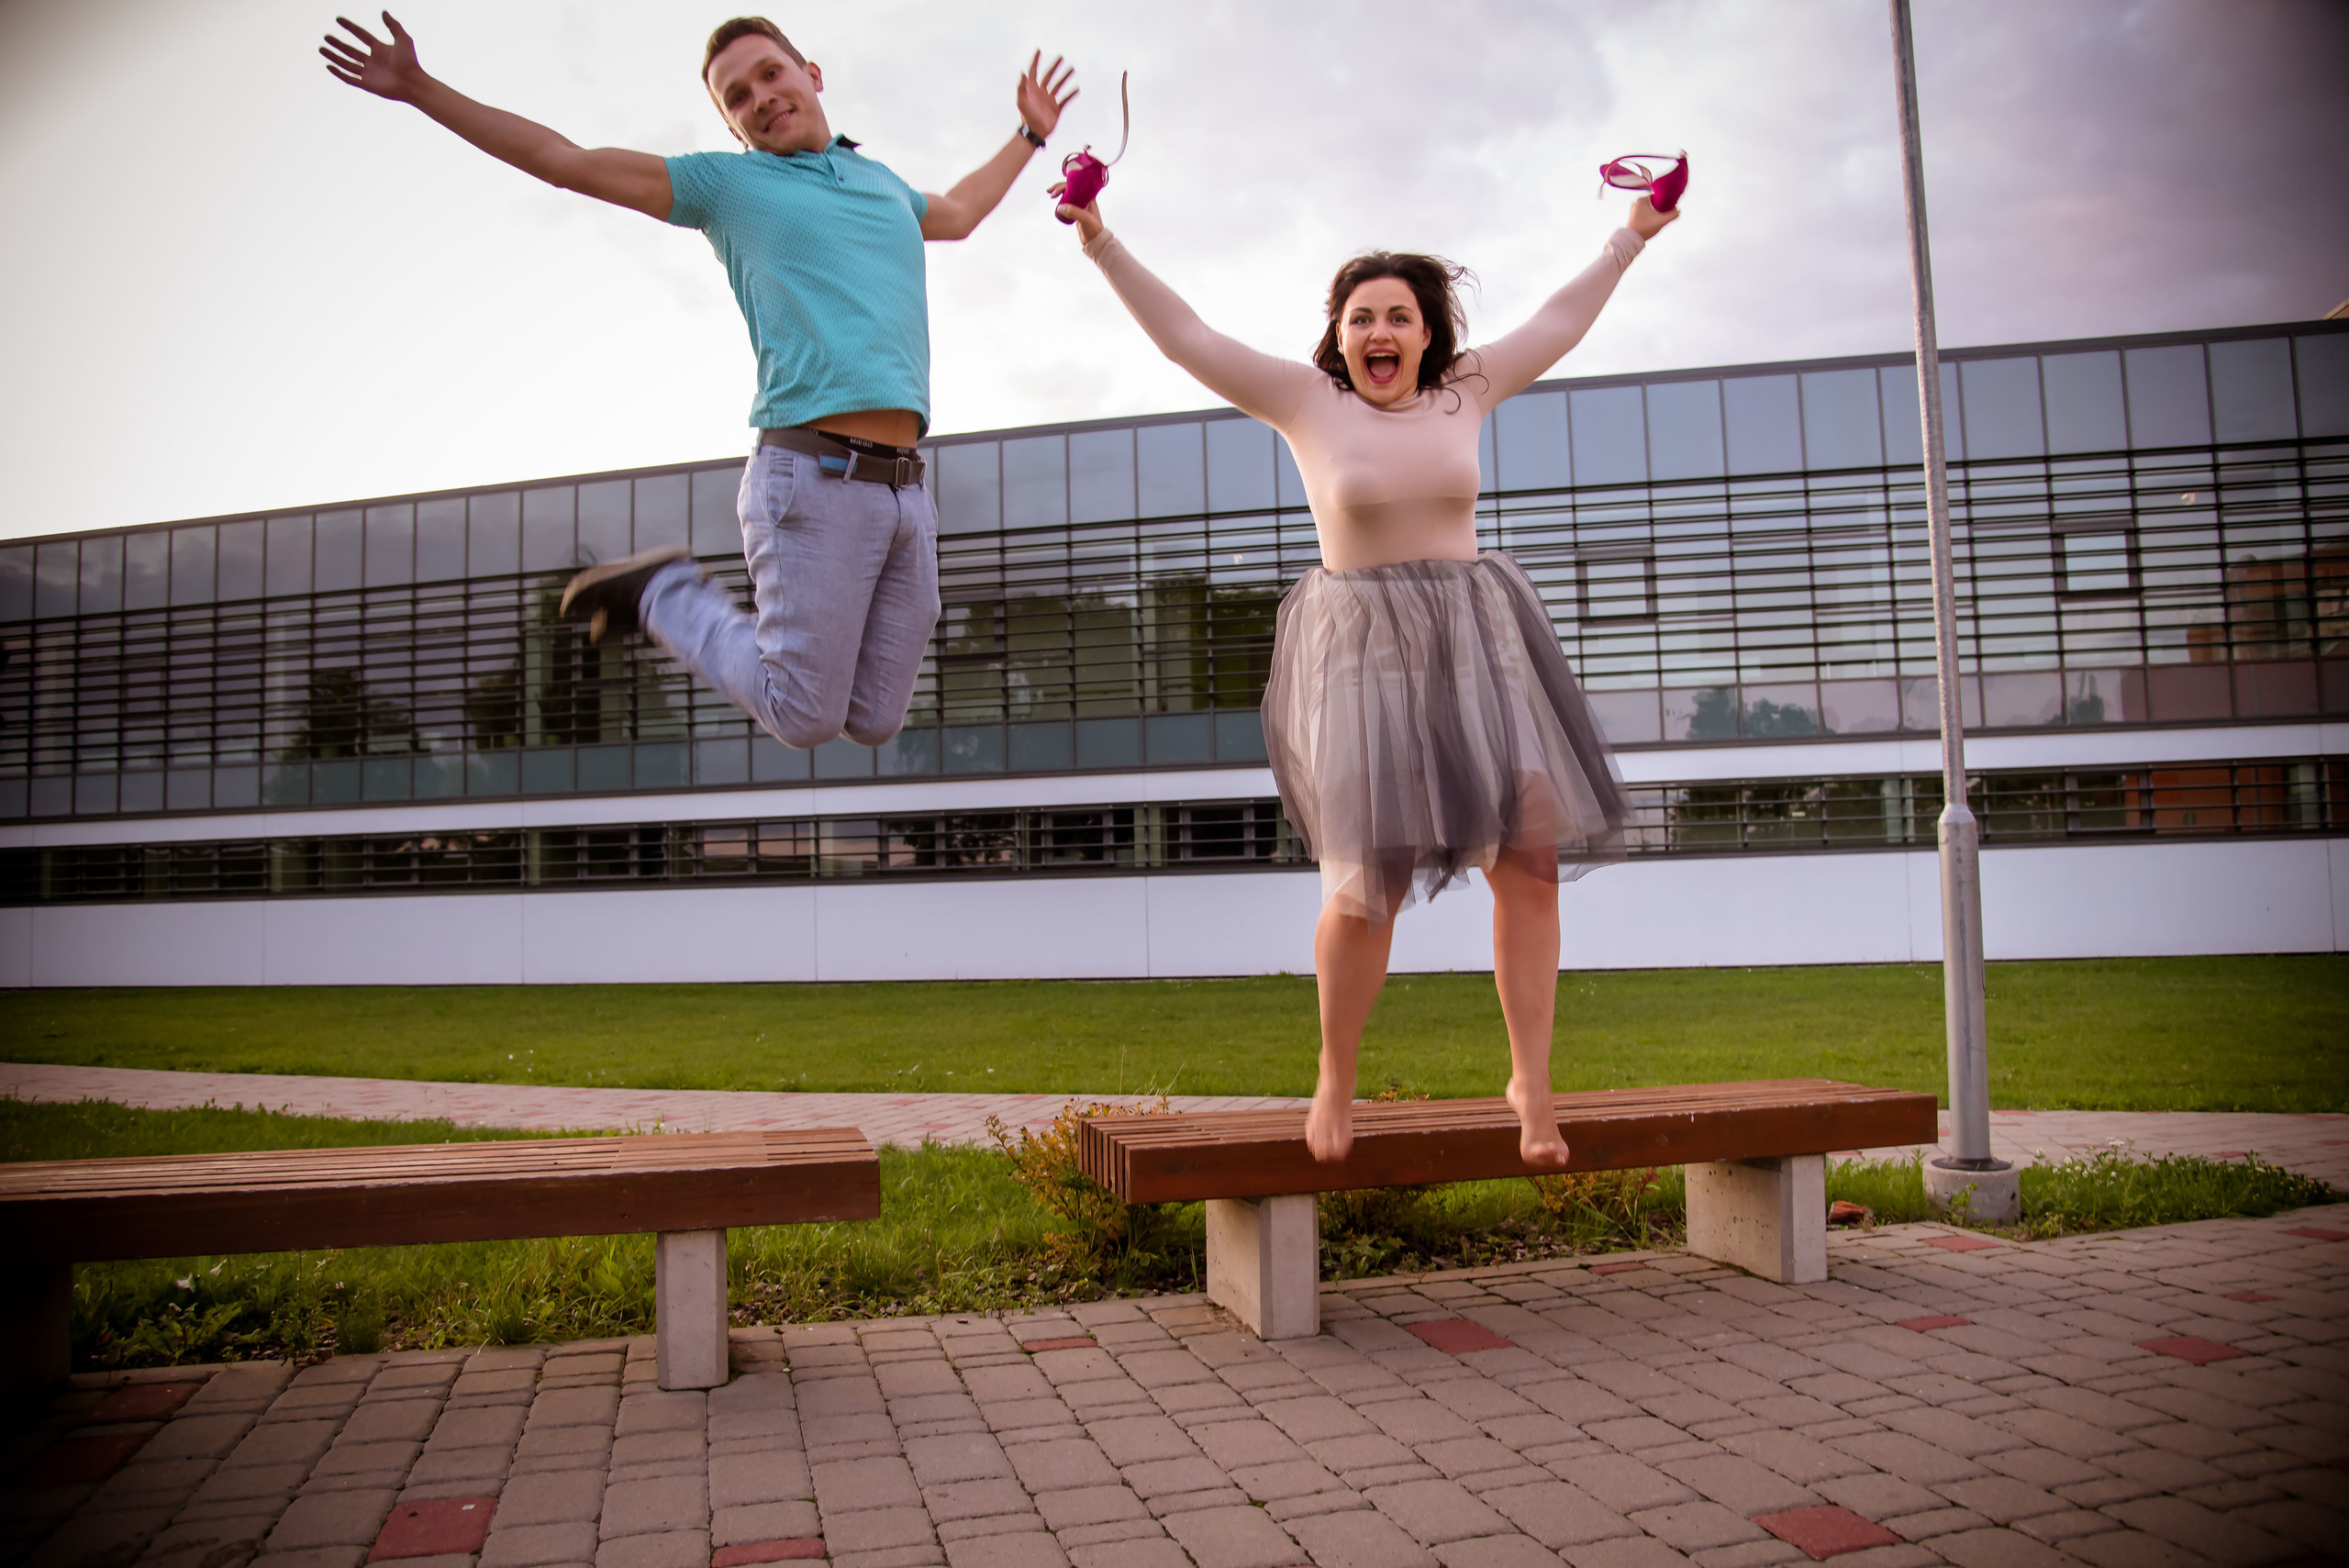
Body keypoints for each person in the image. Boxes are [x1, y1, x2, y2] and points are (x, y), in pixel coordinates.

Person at [1054, 183, 1677, 1165]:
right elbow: (1187, 337)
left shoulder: (1465, 387)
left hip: (1474, 641)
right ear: (1338, 339)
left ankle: (1532, 1082)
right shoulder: (1307, 402)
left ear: (1426, 332)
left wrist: (1630, 235)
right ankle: (1334, 1073)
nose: (1380, 330)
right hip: (1364, 659)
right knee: (1363, 888)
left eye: (1398, 315)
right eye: (1360, 318)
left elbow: (1559, 320)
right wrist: (1098, 238)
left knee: (1531, 858)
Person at [320, 14, 1076, 751]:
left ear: (811, 76)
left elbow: (963, 211)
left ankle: (683, 600)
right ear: (733, 127)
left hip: (907, 491)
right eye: (737, 97)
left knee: (874, 718)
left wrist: (1031, 135)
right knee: (805, 716)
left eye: (770, 74)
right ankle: (663, 591)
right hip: (811, 475)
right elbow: (564, 159)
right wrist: (422, 88)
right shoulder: (729, 187)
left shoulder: (881, 184)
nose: (761, 97)